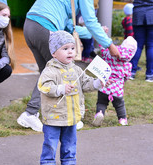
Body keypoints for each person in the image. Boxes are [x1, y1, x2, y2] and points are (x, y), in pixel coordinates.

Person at [17, 0, 121, 132]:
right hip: (45, 27)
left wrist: (96, 32)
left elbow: (69, 27)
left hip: (30, 25)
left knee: (47, 73)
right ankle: (56, 117)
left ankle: (35, 113)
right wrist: (109, 44)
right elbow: (90, 21)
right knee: (66, 71)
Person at [38, 30, 111, 165]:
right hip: (54, 115)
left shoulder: (76, 69)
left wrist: (97, 83)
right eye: (65, 49)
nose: (70, 52)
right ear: (54, 53)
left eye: (72, 48)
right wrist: (60, 88)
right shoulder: (50, 70)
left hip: (71, 114)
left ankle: (68, 162)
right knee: (50, 142)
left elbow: (85, 84)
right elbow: (43, 86)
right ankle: (47, 164)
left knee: (70, 141)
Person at [93, 36, 137, 127]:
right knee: (119, 105)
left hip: (104, 84)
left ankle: (99, 113)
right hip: (117, 89)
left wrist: (103, 37)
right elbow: (127, 76)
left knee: (101, 102)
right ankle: (122, 119)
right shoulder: (127, 64)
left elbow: (103, 48)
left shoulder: (109, 53)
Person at [129, 0, 153, 82]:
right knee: (152, 45)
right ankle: (149, 75)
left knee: (138, 45)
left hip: (139, 13)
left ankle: (131, 72)